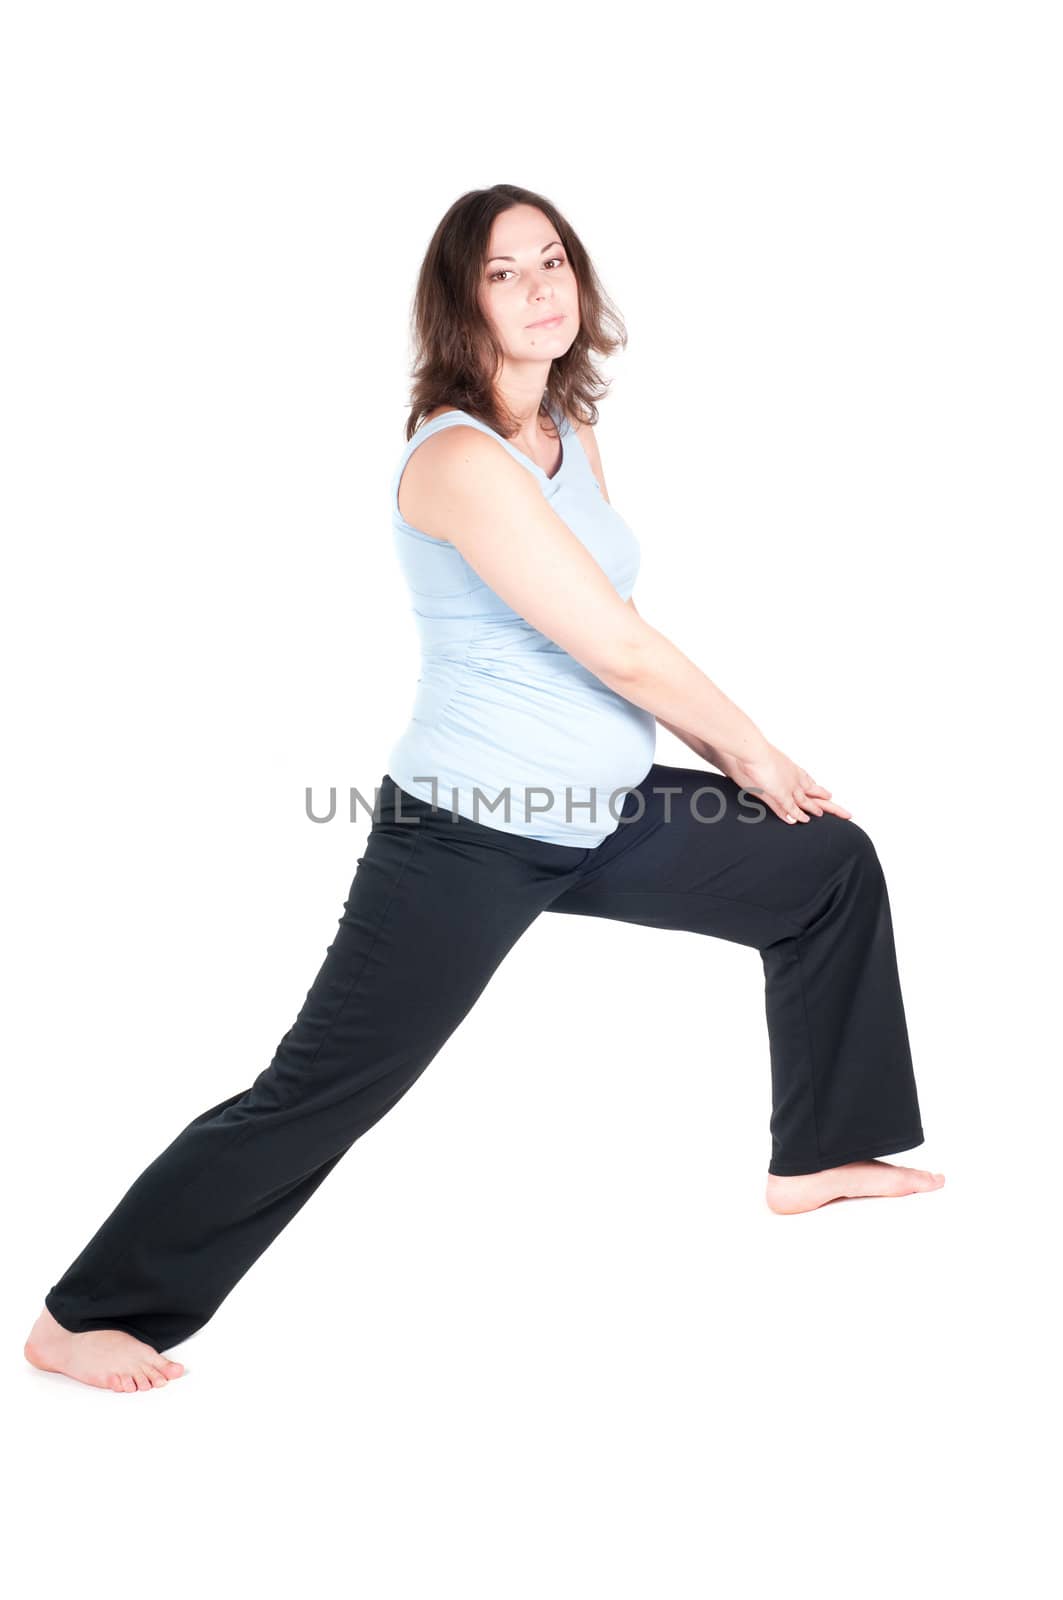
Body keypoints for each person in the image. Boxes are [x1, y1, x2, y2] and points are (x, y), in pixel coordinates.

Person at [24, 184, 944, 1394]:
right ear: (460, 305)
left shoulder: (568, 432)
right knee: (323, 1089)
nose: (537, 288)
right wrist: (748, 749)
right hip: (463, 837)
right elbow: (614, 653)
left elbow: (611, 620)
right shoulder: (459, 459)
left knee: (824, 865)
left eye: (551, 260)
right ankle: (83, 1314)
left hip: (604, 816)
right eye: (502, 273)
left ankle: (817, 1153)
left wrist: (717, 755)